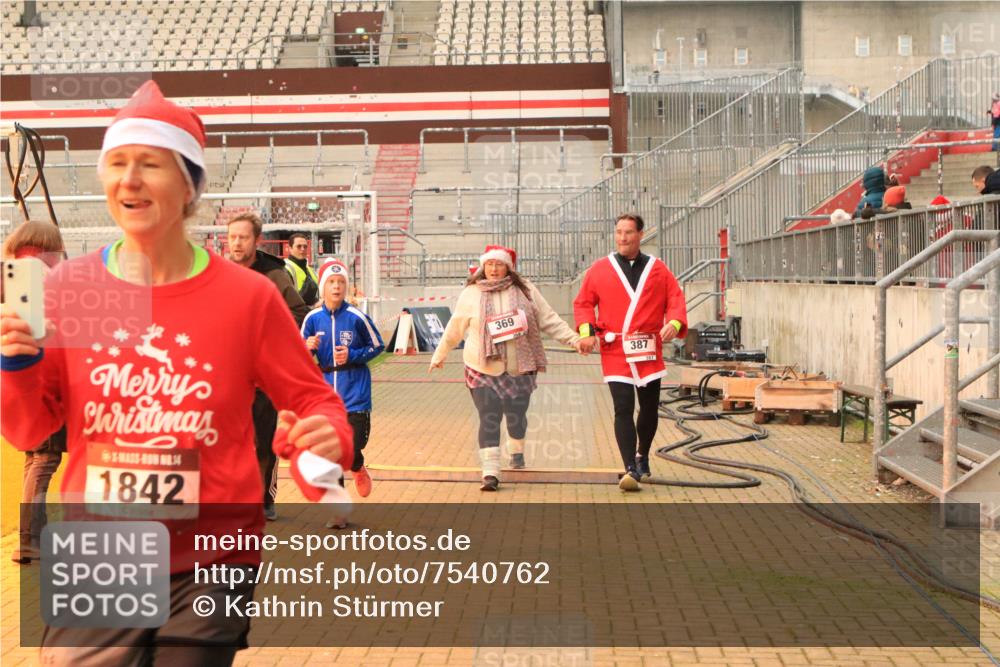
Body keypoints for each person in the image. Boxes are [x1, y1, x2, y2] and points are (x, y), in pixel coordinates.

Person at [0, 81, 353, 665]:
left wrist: (328, 436)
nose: (129, 180)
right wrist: (16, 368)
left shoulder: (247, 297)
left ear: (189, 185)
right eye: (117, 163)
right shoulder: (69, 289)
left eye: (150, 163)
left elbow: (315, 399)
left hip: (214, 555)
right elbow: (29, 429)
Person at [430, 245, 583, 491]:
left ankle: (516, 449)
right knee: (489, 415)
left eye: (499, 264)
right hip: (482, 366)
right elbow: (455, 327)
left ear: (508, 267)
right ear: (483, 267)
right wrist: (440, 354)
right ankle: (490, 472)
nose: (493, 269)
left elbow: (549, 319)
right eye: (489, 264)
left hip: (519, 366)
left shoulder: (526, 290)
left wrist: (574, 340)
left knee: (516, 416)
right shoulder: (471, 293)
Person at [573, 214, 688, 492]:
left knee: (648, 407)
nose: (622, 238)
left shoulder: (658, 269)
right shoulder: (600, 269)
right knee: (622, 407)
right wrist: (587, 332)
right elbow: (584, 303)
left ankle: (642, 454)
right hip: (616, 350)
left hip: (648, 348)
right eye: (618, 232)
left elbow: (675, 298)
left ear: (640, 235)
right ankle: (629, 468)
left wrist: (674, 323)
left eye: (628, 232)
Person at [228, 212, 310, 522]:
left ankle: (264, 499)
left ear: (257, 240)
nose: (237, 243)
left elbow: (299, 312)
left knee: (263, 441)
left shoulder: (274, 274)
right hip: (228, 374)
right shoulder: (220, 273)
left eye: (243, 237)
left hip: (262, 374)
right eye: (232, 237)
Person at [1, 220, 66, 564]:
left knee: (36, 459)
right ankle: (29, 539)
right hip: (41, 379)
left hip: (18, 378)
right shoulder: (44, 276)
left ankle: (33, 535)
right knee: (44, 460)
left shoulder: (13, 273)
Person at [302, 259, 384, 518]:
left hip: (355, 392)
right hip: (326, 396)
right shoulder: (312, 319)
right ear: (323, 287)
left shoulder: (357, 317)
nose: (336, 287)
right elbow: (298, 355)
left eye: (340, 282)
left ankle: (357, 466)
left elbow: (378, 345)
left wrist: (353, 354)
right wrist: (307, 348)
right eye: (331, 282)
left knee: (352, 446)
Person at [284, 232, 320, 306]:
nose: (302, 249)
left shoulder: (310, 270)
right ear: (290, 248)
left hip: (312, 312)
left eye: (305, 246)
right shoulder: (285, 269)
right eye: (299, 246)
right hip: (296, 313)